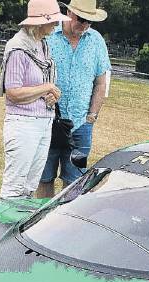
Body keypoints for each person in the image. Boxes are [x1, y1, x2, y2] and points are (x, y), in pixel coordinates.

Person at [0, 0, 69, 199]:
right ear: (39, 22)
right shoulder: (18, 48)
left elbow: (37, 84)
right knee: (14, 187)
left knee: (30, 185)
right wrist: (47, 87)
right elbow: (13, 92)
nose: (56, 25)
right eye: (53, 21)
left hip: (43, 122)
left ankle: (20, 226)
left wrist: (50, 95)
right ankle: (3, 226)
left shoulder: (42, 44)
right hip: (23, 124)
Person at [37, 0, 110, 198]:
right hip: (46, 120)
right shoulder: (48, 36)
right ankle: (41, 224)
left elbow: (100, 83)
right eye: (81, 19)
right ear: (69, 12)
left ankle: (63, 223)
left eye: (90, 22)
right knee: (43, 177)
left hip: (80, 125)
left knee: (75, 183)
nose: (85, 25)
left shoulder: (96, 41)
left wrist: (92, 116)